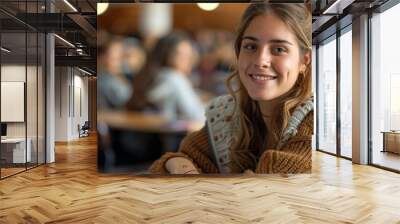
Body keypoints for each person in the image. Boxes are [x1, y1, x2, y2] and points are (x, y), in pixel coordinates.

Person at [149, 2, 313, 174]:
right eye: (251, 46)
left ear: (304, 61)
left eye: (279, 49)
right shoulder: (228, 117)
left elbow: (270, 189)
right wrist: (177, 163)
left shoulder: (316, 123)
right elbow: (167, 164)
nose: (260, 60)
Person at [127, 32, 205, 123]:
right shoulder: (175, 78)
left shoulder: (152, 75)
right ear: (168, 56)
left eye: (189, 55)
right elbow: (196, 115)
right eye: (182, 55)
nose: (188, 60)